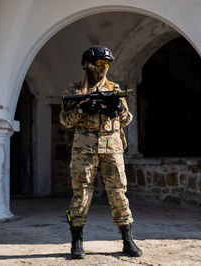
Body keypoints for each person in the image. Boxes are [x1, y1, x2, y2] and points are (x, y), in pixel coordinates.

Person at [60, 45, 142, 259]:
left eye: (107, 64)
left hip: (112, 146)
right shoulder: (75, 90)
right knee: (82, 193)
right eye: (100, 63)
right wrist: (83, 108)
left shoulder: (114, 88)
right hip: (84, 149)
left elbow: (127, 120)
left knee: (118, 192)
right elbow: (65, 121)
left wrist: (118, 108)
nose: (104, 68)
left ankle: (128, 240)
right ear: (87, 65)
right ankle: (76, 242)